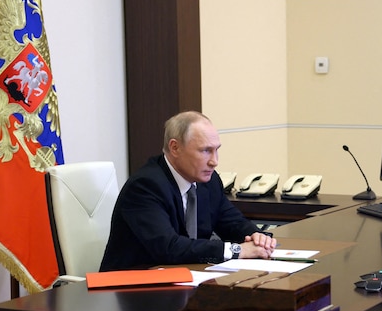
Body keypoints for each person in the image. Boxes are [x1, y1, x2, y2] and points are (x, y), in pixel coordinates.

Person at [100, 111, 277, 271]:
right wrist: (237, 250)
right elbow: (169, 247)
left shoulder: (209, 181)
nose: (214, 161)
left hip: (184, 280)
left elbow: (232, 222)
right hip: (131, 290)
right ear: (175, 147)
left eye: (216, 150)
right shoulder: (145, 186)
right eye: (206, 151)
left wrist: (257, 237)